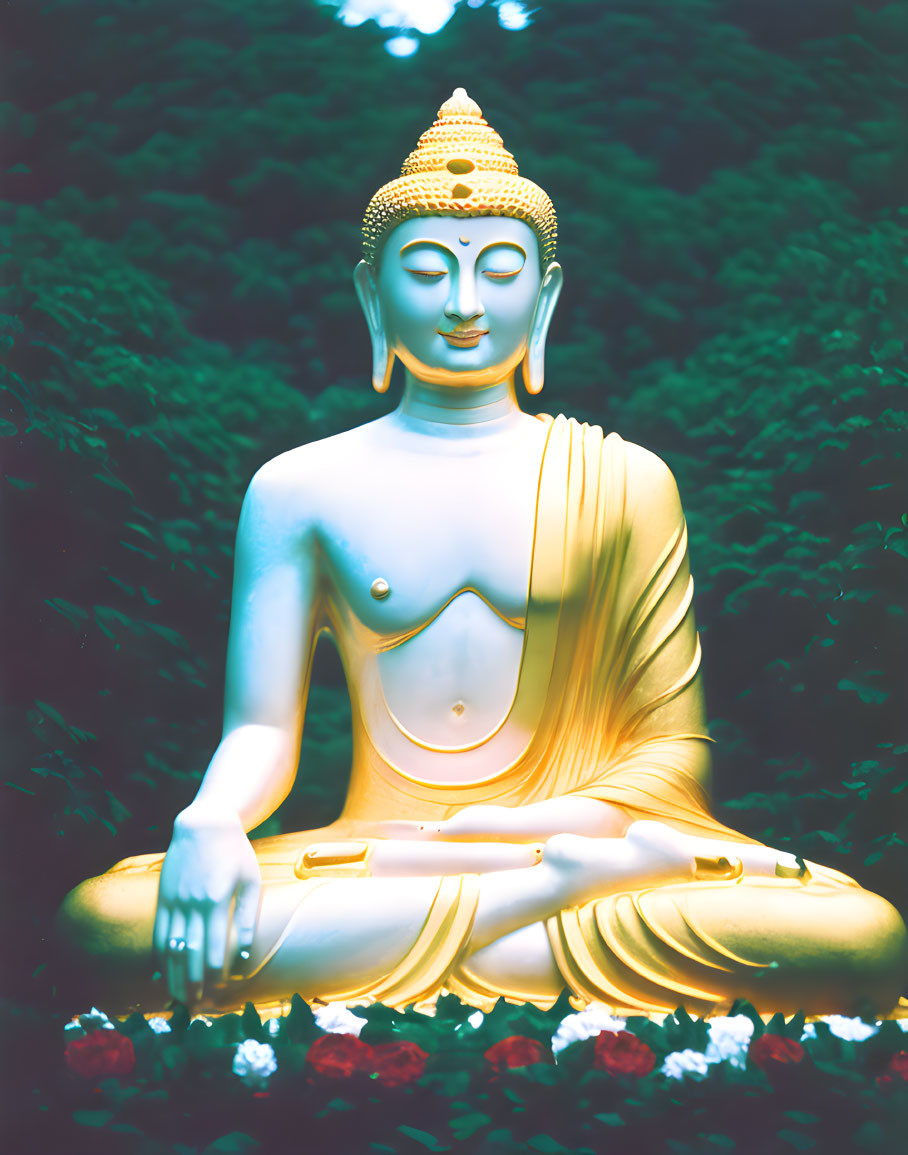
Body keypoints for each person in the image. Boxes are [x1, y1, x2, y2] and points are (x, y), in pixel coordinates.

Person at [58, 90, 907, 1019]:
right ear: (371, 294)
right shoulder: (299, 487)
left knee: (856, 932)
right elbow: (262, 732)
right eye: (426, 271)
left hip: (575, 837)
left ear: (543, 294)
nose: (464, 304)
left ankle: (506, 906)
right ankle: (533, 905)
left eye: (499, 271)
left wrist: (538, 833)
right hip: (383, 853)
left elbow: (669, 754)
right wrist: (212, 818)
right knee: (109, 921)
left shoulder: (626, 481)